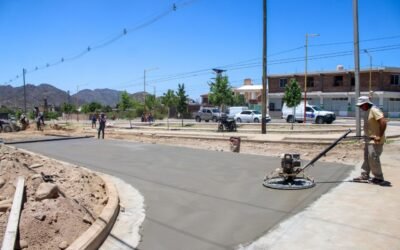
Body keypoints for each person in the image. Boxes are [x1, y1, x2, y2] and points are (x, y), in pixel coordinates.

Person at [353, 96, 387, 184]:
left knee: (373, 158)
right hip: (368, 139)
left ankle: (379, 178)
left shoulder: (374, 110)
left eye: (361, 105)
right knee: (367, 158)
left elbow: (383, 122)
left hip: (376, 140)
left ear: (366, 104)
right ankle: (364, 175)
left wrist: (379, 135)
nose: (360, 107)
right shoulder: (367, 110)